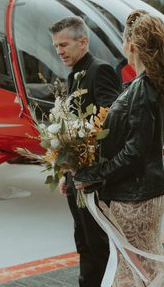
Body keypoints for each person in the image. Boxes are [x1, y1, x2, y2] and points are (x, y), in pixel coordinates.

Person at [75, 9, 164, 287]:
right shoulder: (149, 85)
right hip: (146, 191)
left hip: (136, 195)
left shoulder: (142, 89)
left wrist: (95, 174)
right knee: (147, 264)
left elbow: (135, 152)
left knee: (137, 268)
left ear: (130, 45)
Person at [49, 16, 122, 287]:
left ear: (83, 41)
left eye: (64, 44)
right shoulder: (74, 75)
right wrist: (65, 170)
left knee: (96, 244)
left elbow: (110, 123)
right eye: (56, 46)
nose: (59, 51)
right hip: (76, 177)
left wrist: (89, 169)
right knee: (83, 240)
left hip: (94, 179)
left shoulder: (99, 70)